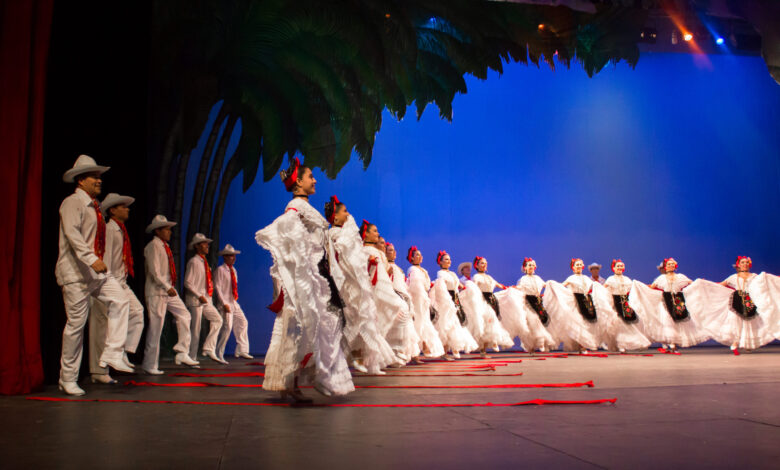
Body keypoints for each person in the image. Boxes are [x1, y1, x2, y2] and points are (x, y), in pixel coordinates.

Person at [255, 158, 354, 402]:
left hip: (313, 277)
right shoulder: (295, 208)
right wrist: (301, 268)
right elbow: (286, 229)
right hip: (305, 278)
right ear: (298, 182)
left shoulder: (303, 207)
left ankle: (294, 381)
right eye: (311, 176)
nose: (315, 180)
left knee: (311, 326)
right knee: (303, 326)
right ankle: (295, 381)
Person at [56, 155, 132, 396]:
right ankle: (67, 378)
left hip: (94, 273)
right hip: (76, 273)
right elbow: (72, 234)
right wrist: (91, 259)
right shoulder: (72, 203)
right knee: (76, 326)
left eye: (99, 176)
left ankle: (112, 353)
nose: (99, 180)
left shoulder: (95, 207)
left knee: (121, 300)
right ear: (80, 180)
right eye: (94, 177)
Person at [325, 201, 397, 374]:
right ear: (335, 217)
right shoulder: (335, 234)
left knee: (361, 320)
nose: (348, 215)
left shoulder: (339, 233)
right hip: (347, 283)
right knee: (354, 320)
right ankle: (350, 360)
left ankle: (364, 360)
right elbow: (344, 259)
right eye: (345, 211)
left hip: (352, 282)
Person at [88, 193, 145, 385]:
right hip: (106, 279)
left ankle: (121, 352)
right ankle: (99, 370)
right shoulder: (110, 229)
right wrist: (108, 282)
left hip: (120, 281)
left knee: (137, 312)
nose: (127, 209)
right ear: (112, 210)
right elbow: (106, 259)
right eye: (123, 206)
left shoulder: (121, 230)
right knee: (102, 326)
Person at [685, 256, 780, 354]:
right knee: (736, 322)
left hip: (750, 301)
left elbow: (766, 282)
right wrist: (705, 284)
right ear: (738, 265)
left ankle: (748, 344)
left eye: (747, 262)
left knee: (750, 322)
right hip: (737, 302)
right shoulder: (734, 277)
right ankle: (734, 344)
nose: (745, 264)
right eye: (743, 262)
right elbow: (719, 285)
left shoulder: (754, 276)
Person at [142, 215, 199, 374]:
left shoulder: (165, 247)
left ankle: (182, 351)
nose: (169, 232)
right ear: (158, 231)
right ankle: (150, 364)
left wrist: (168, 287)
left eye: (169, 229)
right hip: (157, 291)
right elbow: (154, 271)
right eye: (166, 229)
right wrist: (167, 286)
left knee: (185, 315)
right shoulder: (153, 246)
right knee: (156, 328)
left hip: (167, 291)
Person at [630, 258, 709, 352]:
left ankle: (674, 343)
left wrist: (700, 283)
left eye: (672, 264)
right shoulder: (661, 278)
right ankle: (672, 344)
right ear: (665, 267)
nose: (670, 266)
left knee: (678, 321)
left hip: (678, 300)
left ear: (675, 266)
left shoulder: (681, 277)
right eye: (668, 264)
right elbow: (652, 287)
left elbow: (692, 284)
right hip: (666, 301)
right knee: (668, 320)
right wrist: (639, 286)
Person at [543, 258, 606, 353]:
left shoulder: (586, 278)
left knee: (586, 323)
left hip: (585, 302)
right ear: (573, 268)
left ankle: (582, 345)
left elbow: (593, 287)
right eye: (577, 265)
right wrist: (553, 285)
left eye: (580, 265)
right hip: (575, 303)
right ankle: (582, 346)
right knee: (578, 322)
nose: (579, 267)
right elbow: (562, 285)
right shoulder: (571, 278)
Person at [184, 233, 225, 364]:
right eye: (204, 243)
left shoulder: (203, 262)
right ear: (197, 246)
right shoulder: (194, 262)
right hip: (196, 300)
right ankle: (191, 357)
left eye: (207, 243)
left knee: (218, 319)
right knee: (195, 330)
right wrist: (199, 295)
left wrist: (207, 297)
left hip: (206, 299)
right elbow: (187, 282)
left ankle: (208, 347)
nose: (207, 245)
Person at [464, 256, 514, 357]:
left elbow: (498, 285)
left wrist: (509, 288)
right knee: (485, 324)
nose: (484, 264)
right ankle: (482, 349)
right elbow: (472, 287)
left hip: (492, 302)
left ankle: (485, 349)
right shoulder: (476, 277)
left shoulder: (489, 277)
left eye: (485, 263)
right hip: (482, 301)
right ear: (476, 265)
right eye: (482, 263)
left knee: (491, 324)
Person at [432, 251, 478, 358]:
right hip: (446, 300)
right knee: (445, 325)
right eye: (446, 259)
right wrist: (447, 301)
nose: (449, 261)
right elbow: (442, 286)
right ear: (440, 262)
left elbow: (458, 284)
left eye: (449, 259)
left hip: (455, 299)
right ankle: (444, 352)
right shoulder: (441, 273)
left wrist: (466, 288)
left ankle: (452, 349)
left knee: (455, 324)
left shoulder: (452, 274)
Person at [599, 260, 651, 352]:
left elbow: (633, 289)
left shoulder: (627, 279)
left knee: (629, 324)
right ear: (613, 268)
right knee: (620, 325)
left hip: (625, 304)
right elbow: (603, 289)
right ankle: (621, 344)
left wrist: (645, 287)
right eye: (617, 266)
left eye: (621, 266)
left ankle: (631, 343)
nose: (619, 268)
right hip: (616, 304)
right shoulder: (611, 279)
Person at [406, 246, 446, 358]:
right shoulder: (412, 269)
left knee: (424, 322)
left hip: (423, 298)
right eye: (417, 255)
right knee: (418, 323)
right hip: (417, 299)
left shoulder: (423, 270)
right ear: (412, 258)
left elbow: (426, 285)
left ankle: (424, 347)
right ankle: (416, 353)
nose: (420, 256)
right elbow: (415, 286)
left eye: (420, 254)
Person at [214, 244, 252, 360]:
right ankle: (219, 353)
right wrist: (223, 303)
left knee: (243, 322)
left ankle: (242, 349)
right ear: (225, 257)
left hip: (233, 301)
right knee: (227, 328)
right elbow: (218, 287)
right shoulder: (220, 270)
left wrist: (232, 301)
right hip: (225, 303)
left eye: (234, 256)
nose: (234, 258)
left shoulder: (233, 270)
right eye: (231, 256)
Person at [514, 258, 558, 353]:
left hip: (537, 303)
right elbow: (520, 289)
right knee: (532, 323)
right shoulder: (523, 279)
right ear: (525, 268)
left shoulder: (538, 278)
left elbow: (545, 285)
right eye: (529, 265)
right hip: (528, 304)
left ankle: (541, 342)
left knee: (540, 322)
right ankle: (532, 345)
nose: (531, 267)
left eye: (532, 265)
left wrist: (553, 285)